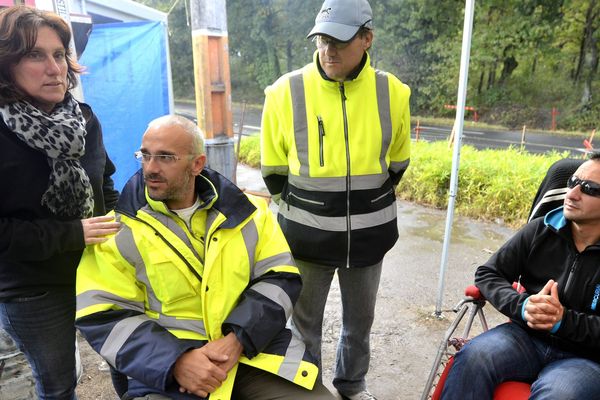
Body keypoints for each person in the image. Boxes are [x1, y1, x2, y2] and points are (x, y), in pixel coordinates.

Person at [75, 115, 336, 400]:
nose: (150, 168)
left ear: (197, 164)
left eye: (165, 157)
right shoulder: (116, 231)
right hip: (167, 374)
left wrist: (237, 340)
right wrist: (176, 362)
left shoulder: (250, 214)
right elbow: (102, 314)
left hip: (252, 355)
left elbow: (280, 278)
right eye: (145, 155)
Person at [260, 0, 411, 399]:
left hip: (369, 236)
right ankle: (309, 392)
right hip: (305, 239)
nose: (329, 50)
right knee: (303, 326)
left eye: (340, 41)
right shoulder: (284, 91)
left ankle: (351, 386)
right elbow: (273, 171)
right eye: (323, 39)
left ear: (366, 39)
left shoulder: (393, 92)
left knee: (360, 322)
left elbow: (398, 162)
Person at [0, 5, 121, 400]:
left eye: (58, 54)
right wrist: (71, 234)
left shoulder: (84, 119)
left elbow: (105, 183)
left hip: (100, 268)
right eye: (35, 55)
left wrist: (126, 227)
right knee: (58, 383)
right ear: (6, 63)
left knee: (128, 358)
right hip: (33, 287)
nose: (55, 68)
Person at [441, 154, 600, 399]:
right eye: (572, 182)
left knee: (561, 394)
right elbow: (488, 273)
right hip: (524, 337)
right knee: (474, 357)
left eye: (588, 188)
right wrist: (523, 306)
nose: (572, 193)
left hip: (584, 357)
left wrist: (563, 321)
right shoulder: (541, 229)